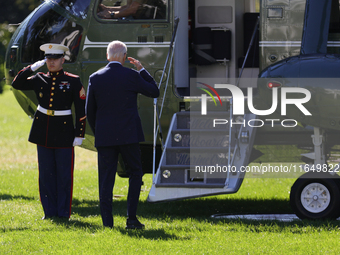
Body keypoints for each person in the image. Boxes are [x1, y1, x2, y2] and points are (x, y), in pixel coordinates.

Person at [86, 40, 159, 229]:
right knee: (135, 173)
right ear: (125, 57)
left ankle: (107, 223)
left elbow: (90, 111)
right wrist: (142, 69)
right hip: (128, 135)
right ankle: (131, 219)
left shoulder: (95, 77)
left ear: (107, 55)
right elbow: (154, 91)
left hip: (105, 136)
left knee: (106, 179)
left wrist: (99, 132)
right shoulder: (132, 75)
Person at [12, 43, 86, 219]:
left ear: (62, 60)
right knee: (46, 175)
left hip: (64, 132)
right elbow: (17, 84)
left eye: (55, 59)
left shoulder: (73, 81)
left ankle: (63, 213)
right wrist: (31, 68)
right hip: (43, 131)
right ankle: (49, 212)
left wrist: (79, 134)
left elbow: (81, 110)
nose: (51, 62)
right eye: (48, 59)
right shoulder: (39, 78)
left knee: (64, 176)